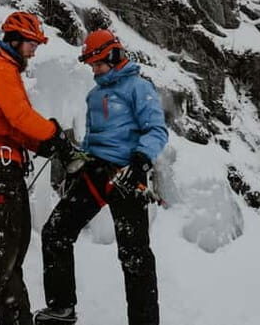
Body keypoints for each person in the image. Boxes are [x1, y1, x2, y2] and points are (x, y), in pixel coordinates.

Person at [35, 29, 168, 325]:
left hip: (128, 176)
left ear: (114, 55)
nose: (94, 70)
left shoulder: (138, 87)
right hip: (95, 172)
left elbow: (156, 129)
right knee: (55, 232)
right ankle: (61, 308)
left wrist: (140, 159)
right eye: (91, 65)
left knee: (134, 255)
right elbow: (94, 138)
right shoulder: (94, 95)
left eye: (98, 64)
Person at [0, 11, 75, 325]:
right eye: (32, 44)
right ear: (15, 39)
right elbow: (20, 115)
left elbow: (13, 124)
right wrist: (53, 134)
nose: (34, 51)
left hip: (6, 166)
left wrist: (43, 144)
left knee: (11, 251)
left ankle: (16, 318)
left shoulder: (5, 69)